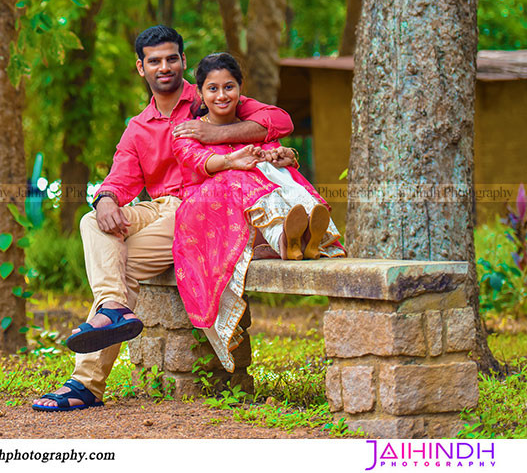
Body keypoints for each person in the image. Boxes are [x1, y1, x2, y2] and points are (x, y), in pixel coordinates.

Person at [31, 26, 297, 411]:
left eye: (172, 58)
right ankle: (112, 308)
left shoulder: (211, 96)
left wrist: (211, 132)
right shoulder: (138, 128)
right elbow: (119, 179)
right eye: (154, 61)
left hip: (204, 209)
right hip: (159, 209)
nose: (164, 66)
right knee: (92, 222)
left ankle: (86, 383)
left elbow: (278, 121)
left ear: (184, 61)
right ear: (141, 68)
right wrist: (104, 200)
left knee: (120, 268)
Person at [171, 52, 345, 372]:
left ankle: (299, 240)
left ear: (241, 89)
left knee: (281, 178)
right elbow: (195, 163)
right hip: (206, 211)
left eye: (229, 87)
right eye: (212, 89)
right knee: (240, 179)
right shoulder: (189, 130)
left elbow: (280, 129)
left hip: (249, 212)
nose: (222, 95)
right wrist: (230, 161)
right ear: (200, 93)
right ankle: (287, 239)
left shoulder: (249, 128)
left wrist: (280, 156)